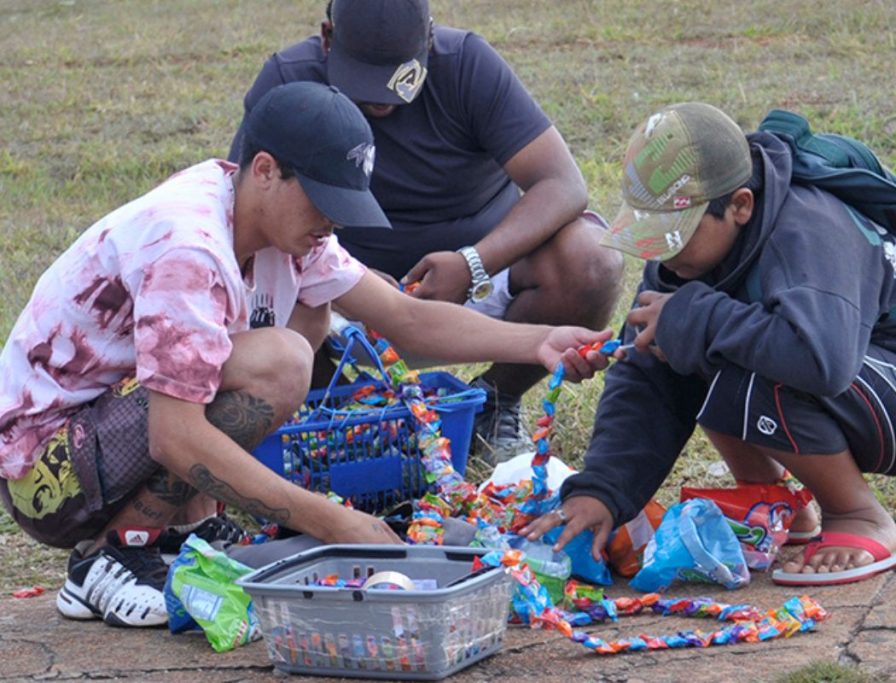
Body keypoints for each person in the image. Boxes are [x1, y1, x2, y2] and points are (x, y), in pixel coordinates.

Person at [0, 81, 613, 629]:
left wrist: (537, 340)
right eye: (322, 199)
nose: (330, 222)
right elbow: (173, 436)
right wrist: (331, 522)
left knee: (302, 322)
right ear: (264, 170)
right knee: (280, 360)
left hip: (104, 439)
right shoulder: (188, 246)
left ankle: (178, 531)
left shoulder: (282, 230)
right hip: (46, 478)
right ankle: (110, 556)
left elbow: (406, 319)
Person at [522, 102, 896, 586]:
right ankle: (778, 504)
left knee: (721, 342)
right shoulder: (684, 258)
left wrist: (694, 319)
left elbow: (822, 361)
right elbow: (645, 375)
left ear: (740, 205)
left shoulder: (810, 229)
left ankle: (857, 514)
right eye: (652, 235)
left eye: (675, 235)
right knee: (689, 341)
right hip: (857, 378)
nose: (663, 252)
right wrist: (603, 492)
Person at [228, 0, 624, 464]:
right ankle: (334, 422)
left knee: (592, 259)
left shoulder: (467, 64)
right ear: (327, 37)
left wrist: (473, 262)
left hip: (472, 276)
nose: (379, 99)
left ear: (430, 40)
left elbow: (564, 183)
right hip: (338, 288)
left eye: (396, 77)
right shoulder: (288, 82)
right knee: (286, 294)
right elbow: (248, 214)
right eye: (361, 77)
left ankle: (493, 405)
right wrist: (343, 278)